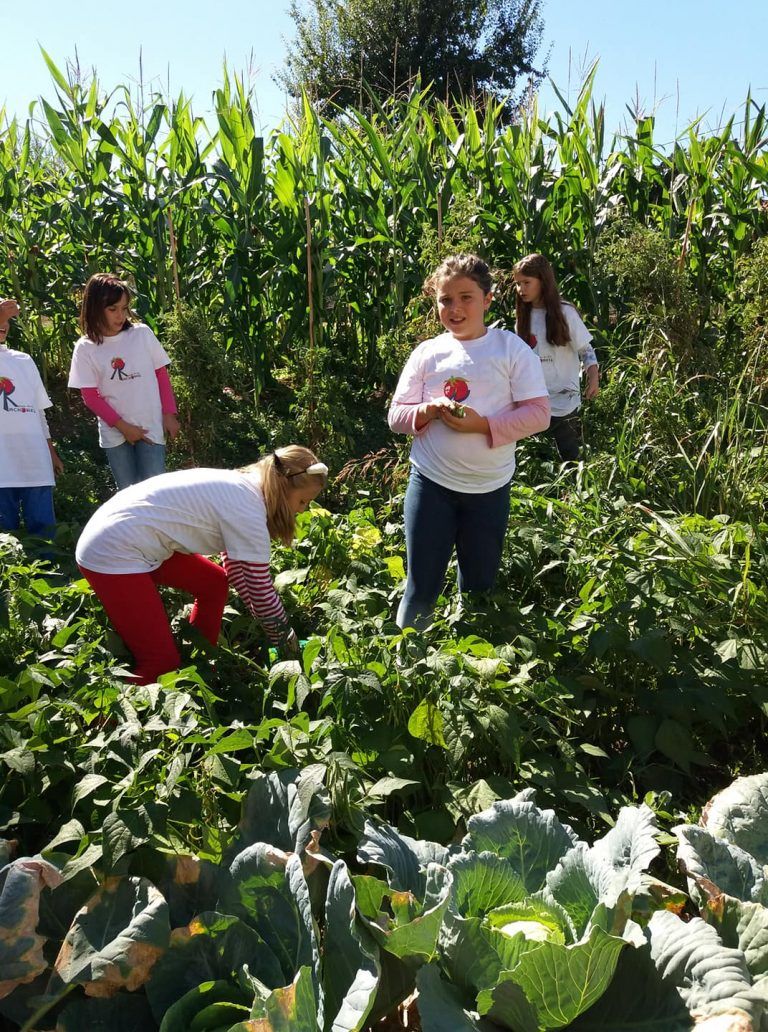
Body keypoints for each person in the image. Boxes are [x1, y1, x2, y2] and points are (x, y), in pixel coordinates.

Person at [388, 254, 550, 631]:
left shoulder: (511, 350)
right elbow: (396, 416)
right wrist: (427, 410)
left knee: (478, 591)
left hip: (488, 491)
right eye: (445, 300)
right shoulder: (428, 353)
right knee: (420, 587)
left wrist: (482, 425)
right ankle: (407, 672)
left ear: (488, 299)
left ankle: (470, 671)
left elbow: (539, 413)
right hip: (431, 486)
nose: (455, 308)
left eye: (466, 297)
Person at [75, 446, 328, 684]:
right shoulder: (249, 510)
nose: (303, 511)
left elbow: (238, 572)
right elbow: (260, 589)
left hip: (127, 533)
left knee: (213, 583)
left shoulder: (246, 486)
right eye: (303, 501)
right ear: (284, 488)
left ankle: (202, 660)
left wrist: (273, 628)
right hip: (113, 551)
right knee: (160, 664)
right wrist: (287, 643)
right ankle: (105, 717)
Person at [68, 273, 180, 490]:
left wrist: (169, 414)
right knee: (126, 496)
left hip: (150, 428)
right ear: (94, 308)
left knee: (155, 493)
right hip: (115, 435)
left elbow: (161, 375)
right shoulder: (85, 348)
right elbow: (90, 397)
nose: (120, 316)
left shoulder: (142, 334)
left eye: (124, 308)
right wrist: (124, 427)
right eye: (112, 309)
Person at [513, 253, 599, 462]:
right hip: (534, 399)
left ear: (542, 281)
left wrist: (593, 377)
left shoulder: (565, 313)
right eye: (518, 284)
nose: (521, 289)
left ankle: (576, 493)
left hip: (564, 400)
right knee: (539, 458)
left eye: (527, 283)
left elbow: (585, 350)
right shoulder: (523, 318)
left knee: (570, 457)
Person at [0, 298, 64, 543]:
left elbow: (39, 412)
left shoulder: (24, 360)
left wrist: (51, 453)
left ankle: (49, 574)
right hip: (3, 463)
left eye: (7, 319)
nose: (4, 323)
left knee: (44, 532)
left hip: (33, 460)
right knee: (6, 536)